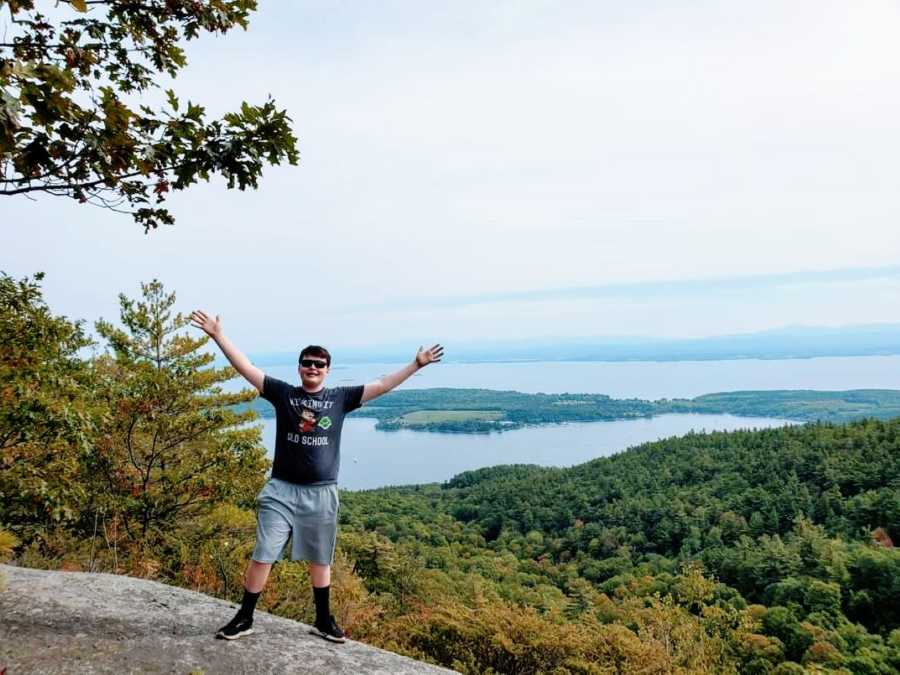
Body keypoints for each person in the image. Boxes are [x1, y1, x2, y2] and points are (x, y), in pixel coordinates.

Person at [190, 310, 443, 643]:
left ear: (327, 369)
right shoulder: (284, 394)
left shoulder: (339, 399)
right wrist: (218, 335)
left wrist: (416, 365)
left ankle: (323, 620)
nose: (313, 367)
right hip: (280, 490)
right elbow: (247, 368)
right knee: (264, 552)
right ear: (299, 367)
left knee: (320, 558)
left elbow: (381, 385)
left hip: (321, 493)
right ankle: (244, 616)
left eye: (319, 364)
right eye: (307, 362)